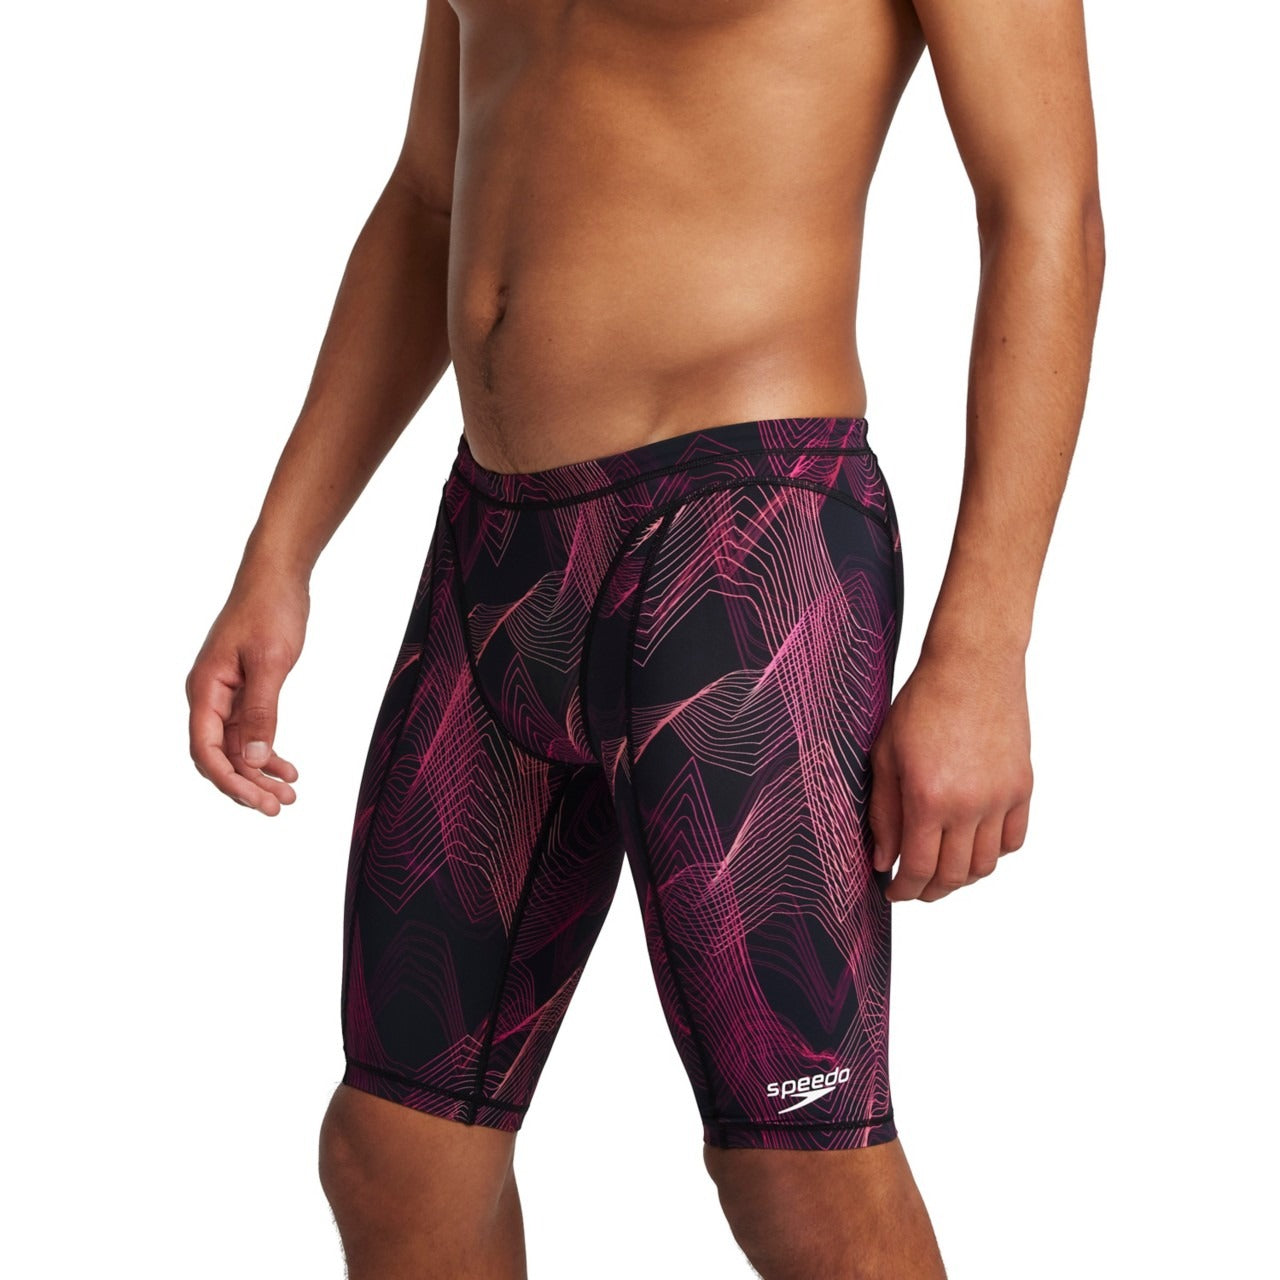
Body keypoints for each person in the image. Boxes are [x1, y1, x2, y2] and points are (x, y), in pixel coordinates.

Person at [186, 0, 1104, 1272]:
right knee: (395, 1148)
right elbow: (429, 199)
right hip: (495, 554)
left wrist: (982, 651)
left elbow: (1045, 206)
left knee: (794, 1161)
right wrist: (280, 550)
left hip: (739, 550)